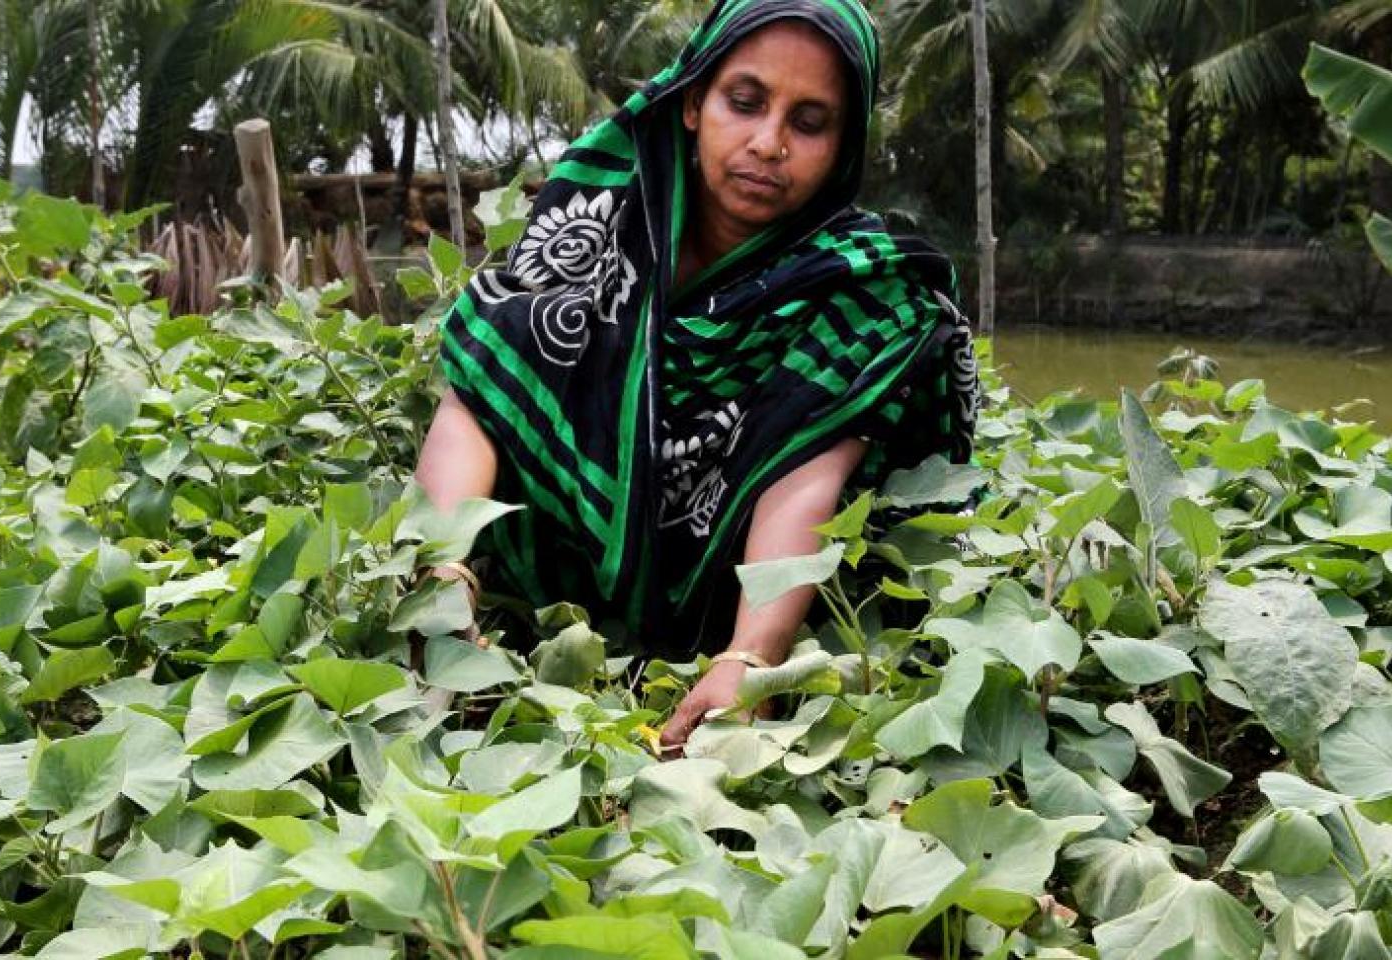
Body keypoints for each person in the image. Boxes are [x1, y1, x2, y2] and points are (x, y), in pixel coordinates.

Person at [413, 0, 980, 753]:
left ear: (844, 145)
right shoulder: (604, 205)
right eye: (744, 103)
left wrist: (752, 659)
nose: (768, 143)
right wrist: (440, 575)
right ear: (692, 102)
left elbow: (805, 468)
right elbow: (487, 388)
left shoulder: (859, 288)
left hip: (730, 579)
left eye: (809, 123)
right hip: (558, 552)